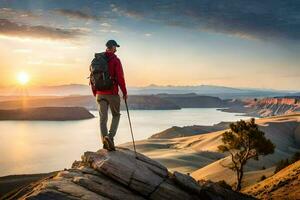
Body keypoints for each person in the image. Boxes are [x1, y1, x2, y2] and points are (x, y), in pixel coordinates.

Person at [91, 40, 127, 151]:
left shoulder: (96, 60)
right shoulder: (115, 60)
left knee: (103, 118)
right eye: (116, 47)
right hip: (112, 93)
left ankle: (105, 141)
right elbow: (120, 78)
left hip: (99, 94)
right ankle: (110, 138)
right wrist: (124, 92)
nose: (116, 49)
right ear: (113, 47)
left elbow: (93, 77)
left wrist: (95, 92)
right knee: (116, 115)